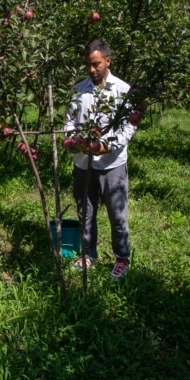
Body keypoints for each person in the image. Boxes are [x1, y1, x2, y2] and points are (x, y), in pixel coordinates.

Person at [63, 39, 136, 280]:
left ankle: (122, 258)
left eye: (96, 64)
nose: (92, 70)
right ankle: (88, 254)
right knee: (85, 212)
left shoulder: (123, 91)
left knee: (117, 214)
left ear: (108, 61)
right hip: (83, 163)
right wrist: (75, 141)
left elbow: (127, 128)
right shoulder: (78, 90)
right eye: (88, 65)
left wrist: (106, 146)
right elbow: (69, 125)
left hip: (112, 164)